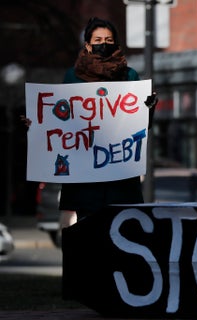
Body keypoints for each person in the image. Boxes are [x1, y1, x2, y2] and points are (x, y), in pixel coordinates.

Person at [24, 17, 157, 221]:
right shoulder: (73, 77)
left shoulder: (129, 76)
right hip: (84, 180)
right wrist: (38, 123)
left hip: (119, 178)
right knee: (89, 236)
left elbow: (139, 124)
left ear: (116, 44)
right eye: (98, 40)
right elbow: (61, 119)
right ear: (87, 45)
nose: (104, 44)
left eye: (108, 39)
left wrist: (148, 108)